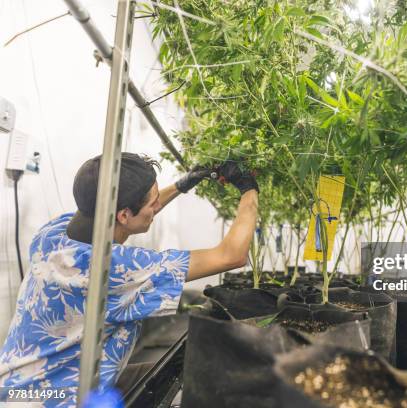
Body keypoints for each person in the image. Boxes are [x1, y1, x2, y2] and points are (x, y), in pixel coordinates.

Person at [0, 152, 258, 407]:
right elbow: (230, 256)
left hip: (17, 387)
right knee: (202, 378)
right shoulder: (112, 270)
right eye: (153, 203)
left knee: (175, 371)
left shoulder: (54, 232)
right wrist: (248, 189)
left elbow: (130, 213)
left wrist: (182, 185)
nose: (156, 207)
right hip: (52, 399)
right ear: (123, 215)